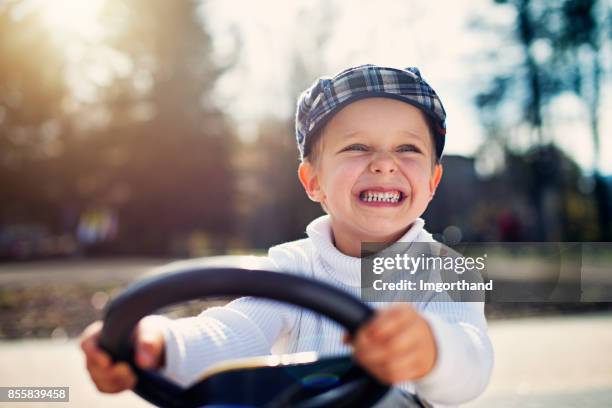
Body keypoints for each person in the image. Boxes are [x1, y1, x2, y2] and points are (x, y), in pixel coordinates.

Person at [80, 64, 494, 406]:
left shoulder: (446, 272)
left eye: (408, 149)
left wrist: (432, 349)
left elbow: (470, 363)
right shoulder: (290, 267)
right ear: (313, 181)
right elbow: (233, 331)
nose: (385, 164)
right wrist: (159, 343)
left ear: (433, 180)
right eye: (357, 148)